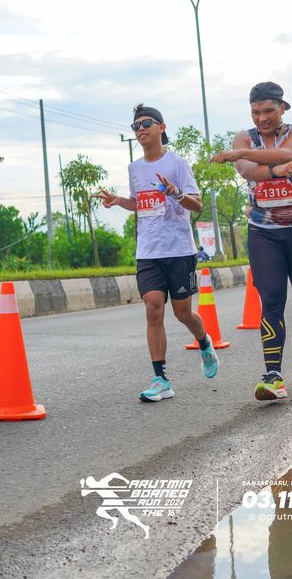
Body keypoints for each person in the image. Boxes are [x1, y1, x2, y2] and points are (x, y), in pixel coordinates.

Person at [211, 81, 292, 401]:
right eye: (255, 112)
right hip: (263, 232)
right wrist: (278, 169)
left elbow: (290, 152)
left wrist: (245, 155)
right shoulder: (243, 137)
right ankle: (274, 377)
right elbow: (248, 171)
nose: (262, 118)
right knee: (272, 301)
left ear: (283, 108)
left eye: (268, 111)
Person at [95, 103, 219, 402]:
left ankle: (204, 342)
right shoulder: (134, 168)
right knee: (153, 308)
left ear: (162, 128)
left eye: (146, 123)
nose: (140, 129)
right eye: (135, 125)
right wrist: (119, 201)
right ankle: (161, 379)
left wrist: (175, 192)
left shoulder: (178, 164)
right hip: (148, 251)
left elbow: (197, 205)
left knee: (183, 313)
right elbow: (140, 203)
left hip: (179, 250)